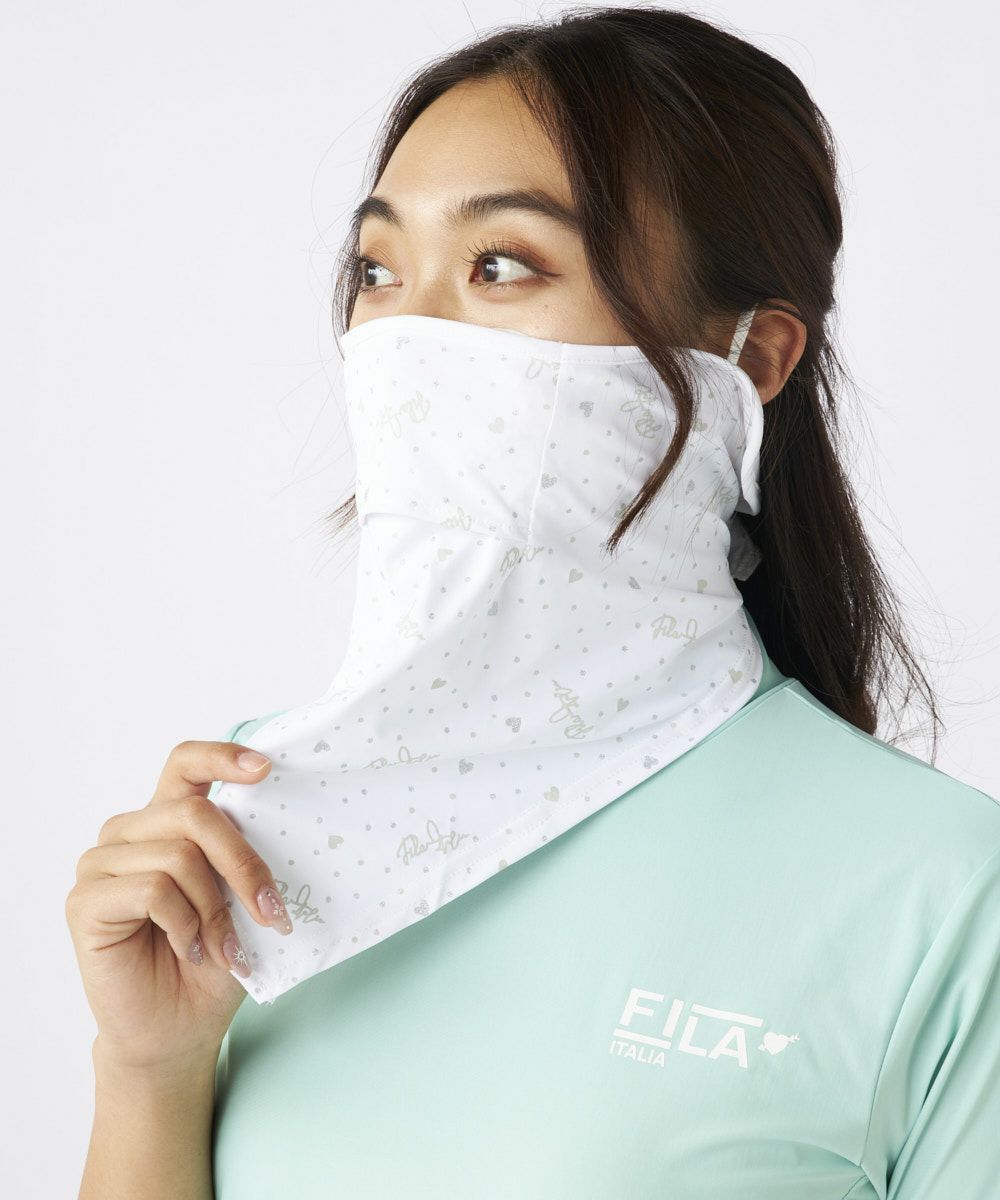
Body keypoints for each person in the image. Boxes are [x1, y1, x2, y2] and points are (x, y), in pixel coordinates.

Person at [67, 7, 1000, 1198]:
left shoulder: (942, 892)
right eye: (376, 271)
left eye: (500, 264)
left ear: (754, 355)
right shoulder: (257, 828)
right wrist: (150, 1064)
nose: (406, 340)